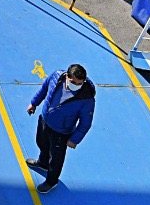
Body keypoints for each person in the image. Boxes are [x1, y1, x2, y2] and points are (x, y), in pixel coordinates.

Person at [24, 64, 96, 195]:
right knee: (41, 143)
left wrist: (74, 140)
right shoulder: (56, 77)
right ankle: (43, 163)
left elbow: (85, 122)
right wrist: (34, 103)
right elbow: (44, 89)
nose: (76, 86)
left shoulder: (86, 99)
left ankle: (51, 181)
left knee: (56, 159)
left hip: (61, 132)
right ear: (67, 76)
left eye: (79, 83)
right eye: (73, 82)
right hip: (45, 121)